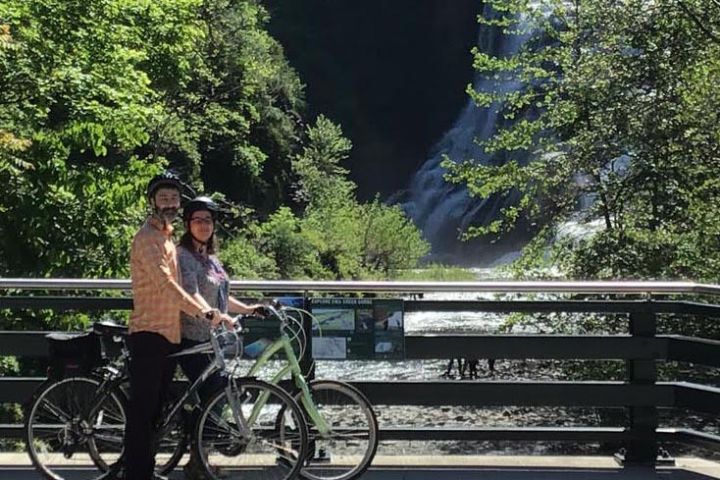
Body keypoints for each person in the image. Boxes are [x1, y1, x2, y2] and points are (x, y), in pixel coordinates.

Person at [125, 172, 233, 480]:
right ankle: (135, 474)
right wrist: (205, 312)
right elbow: (168, 287)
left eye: (173, 199)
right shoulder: (147, 238)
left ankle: (147, 468)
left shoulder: (167, 238)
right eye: (164, 198)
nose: (170, 203)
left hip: (169, 335)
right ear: (152, 202)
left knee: (157, 409)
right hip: (149, 332)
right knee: (143, 412)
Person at [176, 196, 267, 479]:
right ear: (188, 224)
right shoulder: (183, 256)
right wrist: (211, 313)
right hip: (192, 337)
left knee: (214, 398)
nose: (203, 225)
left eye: (208, 220)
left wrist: (249, 308)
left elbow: (222, 297)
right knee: (213, 396)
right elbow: (189, 293)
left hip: (212, 339)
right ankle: (196, 461)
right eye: (197, 220)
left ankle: (198, 460)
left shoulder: (211, 258)